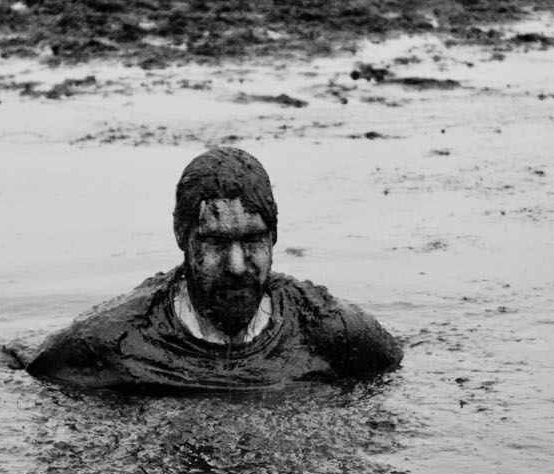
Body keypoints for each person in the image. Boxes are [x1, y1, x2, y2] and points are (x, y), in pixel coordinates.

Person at [25, 147, 403, 392]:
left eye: (253, 240)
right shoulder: (115, 341)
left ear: (274, 236)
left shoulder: (333, 331)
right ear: (182, 237)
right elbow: (32, 369)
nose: (237, 266)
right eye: (217, 243)